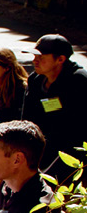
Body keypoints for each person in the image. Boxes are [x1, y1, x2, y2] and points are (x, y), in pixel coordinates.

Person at [20, 33, 87, 184]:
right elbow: (27, 120)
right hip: (43, 144)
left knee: (39, 182)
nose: (35, 60)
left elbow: (78, 132)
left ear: (61, 59)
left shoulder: (79, 81)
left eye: (41, 57)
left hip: (73, 150)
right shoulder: (35, 80)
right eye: (34, 56)